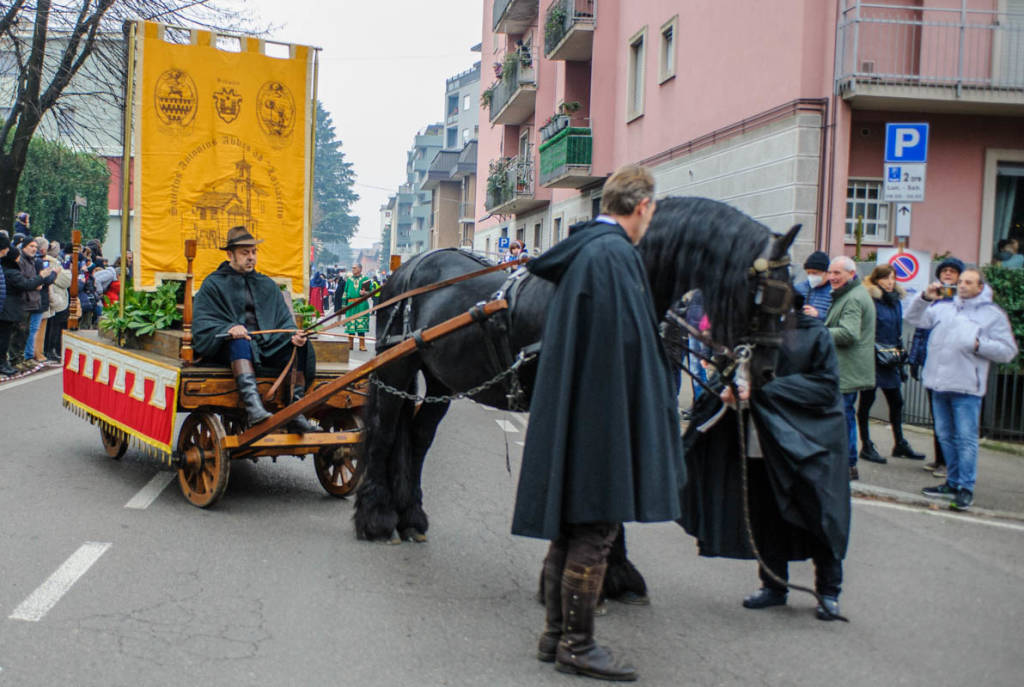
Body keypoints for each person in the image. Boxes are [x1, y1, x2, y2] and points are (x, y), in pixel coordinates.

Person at [512, 165, 684, 681]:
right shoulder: (615, 256)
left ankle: (553, 636)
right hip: (600, 419)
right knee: (596, 528)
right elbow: (627, 349)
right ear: (644, 206)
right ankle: (578, 645)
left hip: (579, 412)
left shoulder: (588, 249)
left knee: (570, 526)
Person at [679, 289, 850, 621]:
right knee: (764, 513)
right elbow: (731, 377)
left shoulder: (814, 335)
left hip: (806, 444)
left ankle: (829, 592)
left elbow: (825, 386)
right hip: (759, 441)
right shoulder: (751, 337)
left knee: (818, 513)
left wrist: (762, 391)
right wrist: (725, 391)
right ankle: (773, 585)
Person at [905, 269, 1018, 511]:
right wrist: (925, 297)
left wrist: (979, 345)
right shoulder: (945, 308)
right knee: (945, 436)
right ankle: (952, 482)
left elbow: (1007, 351)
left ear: (980, 287)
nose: (963, 285)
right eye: (961, 282)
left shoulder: (992, 315)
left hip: (967, 386)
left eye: (969, 282)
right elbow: (914, 318)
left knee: (965, 440)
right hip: (939, 383)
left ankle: (965, 487)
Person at [191, 226, 319, 433]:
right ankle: (253, 408)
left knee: (300, 344)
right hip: (229, 348)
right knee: (240, 341)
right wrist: (229, 328)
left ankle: (295, 410)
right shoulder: (213, 284)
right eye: (245, 252)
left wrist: (293, 334)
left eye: (253, 252)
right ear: (230, 254)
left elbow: (285, 320)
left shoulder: (266, 284)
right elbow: (203, 323)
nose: (251, 257)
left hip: (265, 344)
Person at [857, 264, 924, 463]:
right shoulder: (870, 299)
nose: (889, 282)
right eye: (885, 278)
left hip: (890, 358)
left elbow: (896, 330)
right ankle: (866, 444)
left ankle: (900, 443)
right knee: (867, 402)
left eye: (892, 278)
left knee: (896, 401)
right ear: (877, 279)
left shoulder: (895, 301)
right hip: (872, 357)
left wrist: (899, 356)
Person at [907, 256, 964, 477]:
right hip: (932, 365)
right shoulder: (933, 300)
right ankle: (940, 459)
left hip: (954, 369)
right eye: (944, 271)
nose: (947, 274)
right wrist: (915, 360)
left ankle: (950, 464)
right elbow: (918, 331)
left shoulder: (962, 301)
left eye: (952, 271)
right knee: (938, 418)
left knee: (952, 420)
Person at [824, 256, 876, 480]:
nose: (832, 277)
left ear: (851, 274)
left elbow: (848, 333)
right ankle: (844, 463)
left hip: (847, 369)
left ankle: (847, 464)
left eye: (838, 273)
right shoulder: (849, 294)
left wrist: (818, 331)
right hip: (846, 368)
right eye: (831, 273)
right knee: (843, 416)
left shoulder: (853, 298)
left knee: (843, 417)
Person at [340, 264, 372, 351]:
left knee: (361, 324)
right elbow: (345, 292)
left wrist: (365, 293)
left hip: (361, 304)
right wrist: (343, 305)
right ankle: (350, 344)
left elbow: (371, 292)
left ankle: (362, 345)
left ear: (360, 269)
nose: (353, 269)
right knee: (350, 325)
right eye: (352, 268)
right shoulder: (349, 280)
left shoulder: (366, 279)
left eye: (355, 268)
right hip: (351, 305)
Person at [793, 250, 832, 321]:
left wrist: (818, 314)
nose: (811, 276)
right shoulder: (799, 288)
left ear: (827, 273)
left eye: (815, 273)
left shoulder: (834, 292)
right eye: (808, 273)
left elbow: (837, 319)